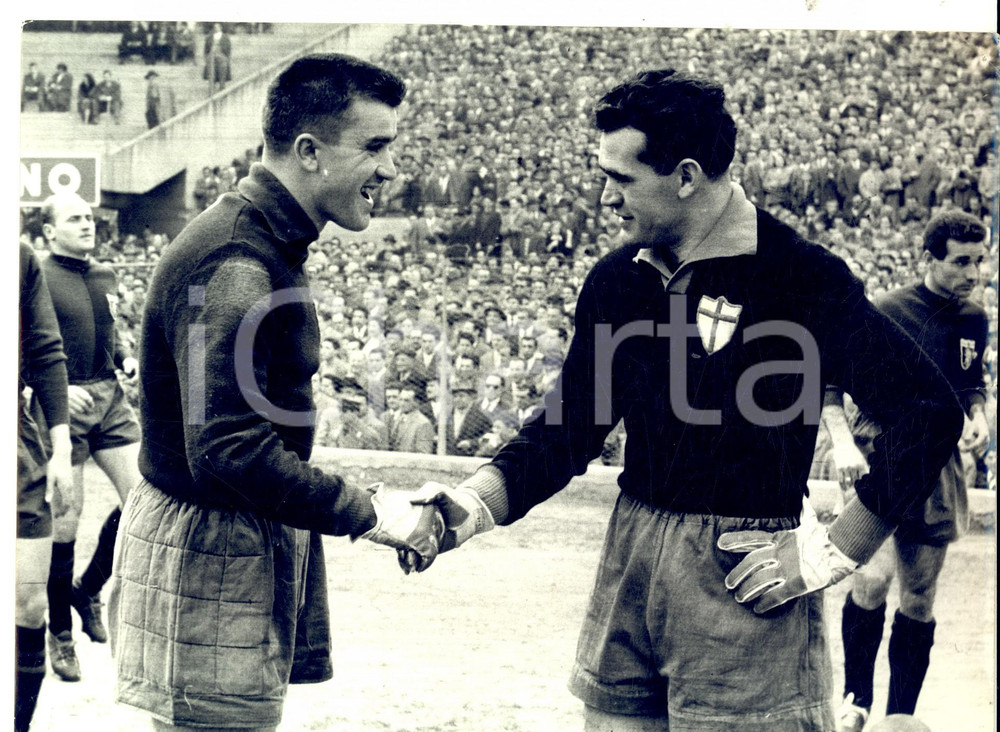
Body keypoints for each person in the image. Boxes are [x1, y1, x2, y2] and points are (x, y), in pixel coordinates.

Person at [402, 69, 962, 730]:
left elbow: (929, 411)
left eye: (621, 177)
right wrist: (468, 505)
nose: (606, 196)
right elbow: (568, 427)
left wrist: (836, 548)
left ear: (687, 176)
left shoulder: (802, 275)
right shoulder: (617, 279)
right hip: (632, 560)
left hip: (746, 576)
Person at [108, 53, 440, 731]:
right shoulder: (237, 258)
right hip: (213, 547)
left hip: (224, 537)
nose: (391, 170)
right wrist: (372, 512)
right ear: (310, 152)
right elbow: (230, 449)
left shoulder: (259, 239)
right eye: (375, 147)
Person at [829, 211, 989, 732]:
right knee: (871, 581)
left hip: (937, 460)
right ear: (929, 258)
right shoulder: (887, 309)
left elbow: (969, 380)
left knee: (919, 595)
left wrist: (978, 416)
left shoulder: (972, 317)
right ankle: (855, 704)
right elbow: (831, 378)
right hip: (883, 450)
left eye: (979, 261)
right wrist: (843, 440)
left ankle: (901, 716)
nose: (972, 272)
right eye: (961, 261)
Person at [38, 192, 143, 682]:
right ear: (48, 231)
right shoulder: (34, 275)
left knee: (144, 498)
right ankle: (60, 633)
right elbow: (21, 345)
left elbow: (109, 328)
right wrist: (47, 390)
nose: (87, 224)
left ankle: (88, 588)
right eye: (74, 219)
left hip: (110, 397)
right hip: (62, 405)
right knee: (66, 519)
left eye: (89, 217)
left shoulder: (104, 274)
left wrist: (124, 356)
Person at [16, 242, 76, 731]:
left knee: (30, 603)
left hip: (12, 437)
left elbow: (46, 352)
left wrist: (61, 450)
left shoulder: (17, 257)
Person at [203, 22, 232, 93]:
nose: (216, 28)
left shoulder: (225, 37)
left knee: (222, 72)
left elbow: (228, 49)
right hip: (211, 56)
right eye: (215, 27)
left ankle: (222, 89)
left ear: (220, 28)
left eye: (217, 27)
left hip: (221, 55)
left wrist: (226, 58)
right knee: (211, 73)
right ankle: (211, 90)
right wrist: (206, 57)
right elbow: (206, 48)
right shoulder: (209, 37)